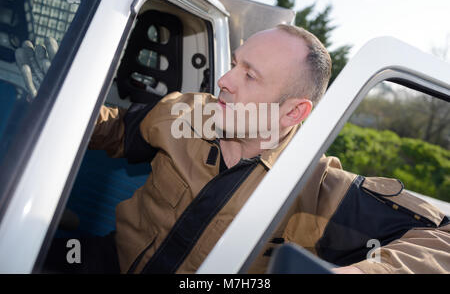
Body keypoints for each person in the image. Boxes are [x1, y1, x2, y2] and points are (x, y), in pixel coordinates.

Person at [40, 25, 449, 274]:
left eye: (249, 75)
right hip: (106, 263)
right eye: (235, 63)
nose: (223, 79)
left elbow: (443, 239)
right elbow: (116, 129)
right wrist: (41, 102)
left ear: (294, 112)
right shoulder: (186, 113)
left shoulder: (319, 188)